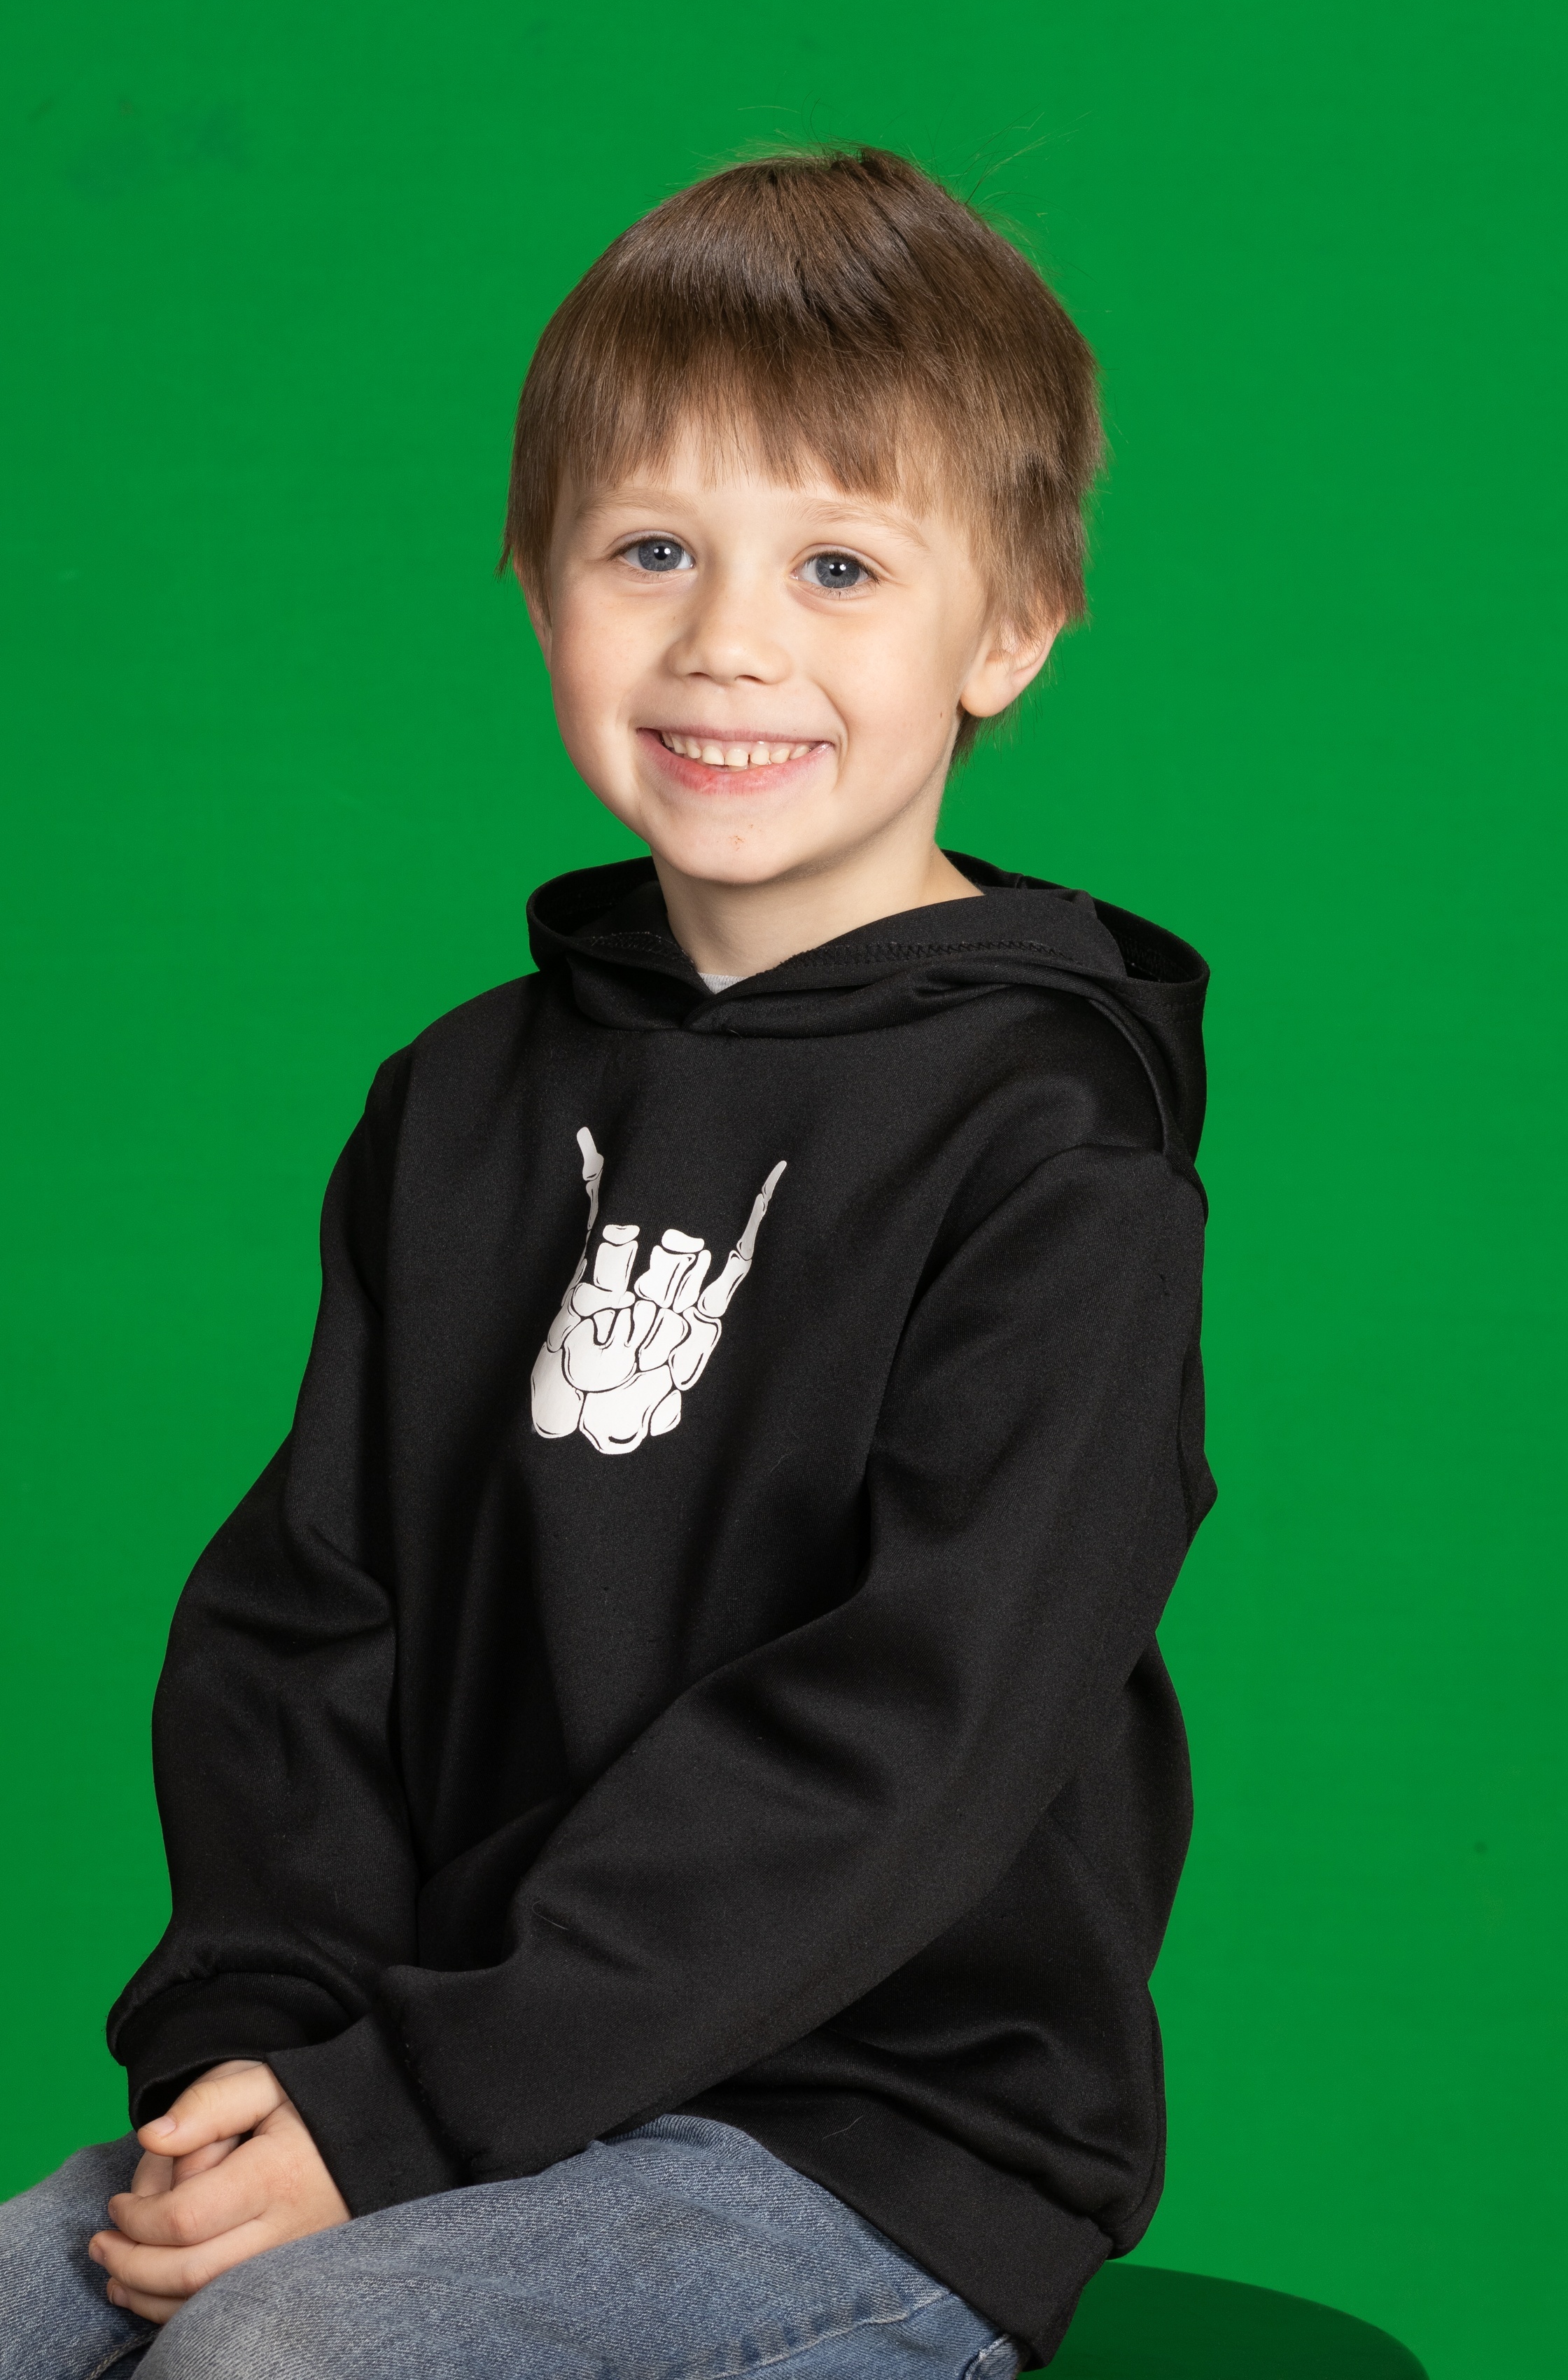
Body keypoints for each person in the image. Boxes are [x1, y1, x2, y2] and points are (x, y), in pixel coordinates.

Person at [0, 147, 1214, 2377]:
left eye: (839, 565)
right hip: (420, 2068)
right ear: (537, 585)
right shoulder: (457, 1100)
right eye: (651, 550)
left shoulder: (1059, 1152)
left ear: (1013, 626)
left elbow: (913, 1739)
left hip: (859, 2139)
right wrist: (261, 2052)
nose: (728, 640)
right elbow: (304, 1621)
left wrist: (402, 2115)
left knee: (290, 2360)